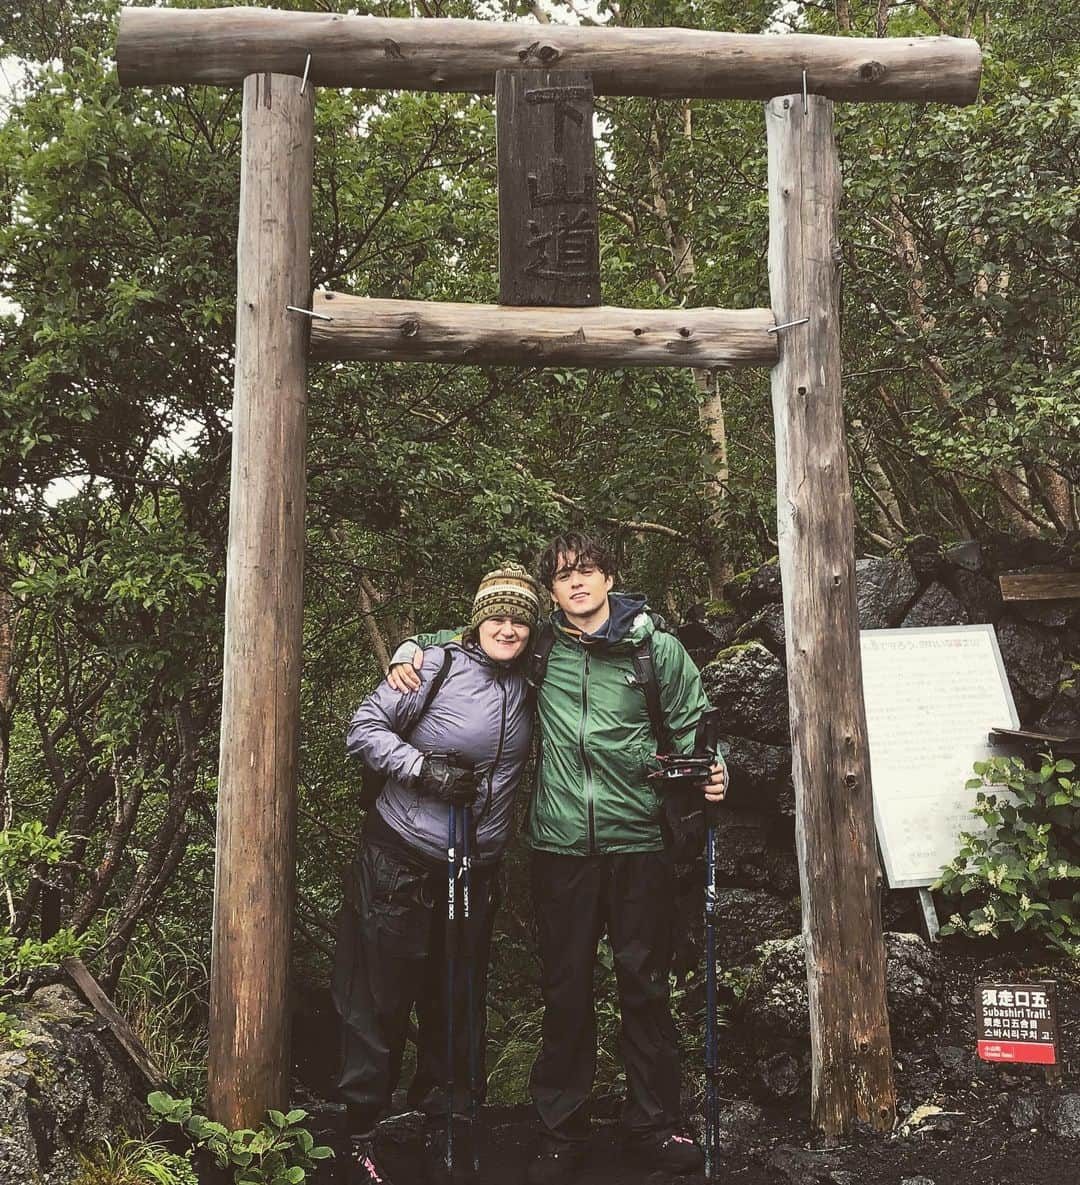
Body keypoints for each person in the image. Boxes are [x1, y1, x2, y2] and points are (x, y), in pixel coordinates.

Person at [387, 533, 727, 1185]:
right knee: (566, 987)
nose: (575, 583)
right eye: (563, 576)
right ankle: (559, 1129)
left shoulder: (656, 649)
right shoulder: (539, 647)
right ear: (551, 591)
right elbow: (477, 634)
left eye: (586, 571)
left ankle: (653, 1125)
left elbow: (695, 730)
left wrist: (719, 774)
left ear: (608, 578)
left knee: (644, 983)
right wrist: (412, 647)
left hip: (640, 841)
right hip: (559, 844)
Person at [334, 562, 542, 1185]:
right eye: (496, 617)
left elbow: (599, 628)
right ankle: (360, 1130)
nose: (507, 629)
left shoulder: (530, 679)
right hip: (400, 858)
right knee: (380, 996)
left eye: (519, 620)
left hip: (477, 866)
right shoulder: (430, 667)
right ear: (477, 621)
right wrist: (422, 769)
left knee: (458, 997)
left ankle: (446, 1123)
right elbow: (363, 730)